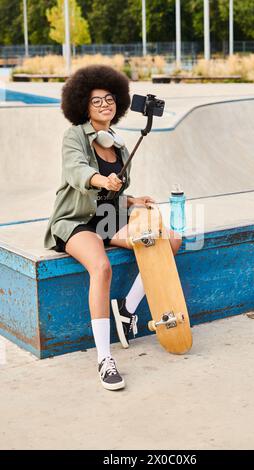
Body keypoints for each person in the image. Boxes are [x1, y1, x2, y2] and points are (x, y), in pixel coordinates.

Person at [44, 65, 182, 391]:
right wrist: (100, 179)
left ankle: (126, 309)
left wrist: (131, 199)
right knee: (101, 268)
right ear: (83, 105)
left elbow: (115, 190)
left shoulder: (118, 143)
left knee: (170, 241)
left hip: (109, 218)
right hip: (77, 221)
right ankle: (105, 359)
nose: (105, 104)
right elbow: (77, 171)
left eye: (109, 99)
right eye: (96, 101)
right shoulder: (74, 136)